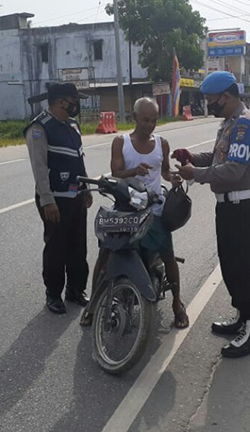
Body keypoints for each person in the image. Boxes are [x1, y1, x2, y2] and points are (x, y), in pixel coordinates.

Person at [174, 71, 250, 358]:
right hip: (227, 207)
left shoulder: (245, 126)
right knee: (229, 267)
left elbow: (233, 171)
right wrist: (190, 157)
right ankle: (242, 317)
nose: (209, 105)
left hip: (242, 207)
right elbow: (218, 159)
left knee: (241, 268)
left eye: (211, 100)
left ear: (226, 97)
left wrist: (196, 174)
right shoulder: (229, 124)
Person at [80, 97, 190, 329]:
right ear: (134, 119)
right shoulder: (121, 142)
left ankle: (177, 305)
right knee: (105, 253)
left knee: (168, 254)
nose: (150, 125)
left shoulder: (162, 143)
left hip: (154, 209)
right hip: (125, 207)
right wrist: (134, 170)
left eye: (154, 120)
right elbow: (116, 172)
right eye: (145, 120)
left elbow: (165, 172)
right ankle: (92, 306)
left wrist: (173, 178)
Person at [25, 83, 94, 315]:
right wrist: (47, 200)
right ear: (61, 101)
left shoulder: (72, 126)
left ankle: (76, 289)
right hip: (55, 199)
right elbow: (39, 167)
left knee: (78, 246)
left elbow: (78, 157)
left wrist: (86, 187)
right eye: (74, 100)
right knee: (56, 247)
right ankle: (53, 294)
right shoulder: (39, 128)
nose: (77, 105)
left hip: (76, 195)